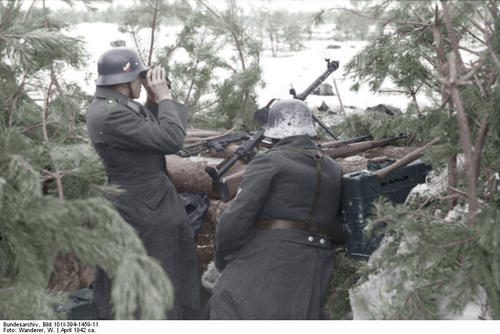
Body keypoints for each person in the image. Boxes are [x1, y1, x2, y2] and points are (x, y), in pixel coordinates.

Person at [86, 47, 201, 319]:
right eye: (139, 77)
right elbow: (171, 139)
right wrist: (164, 97)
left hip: (140, 205)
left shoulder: (112, 106)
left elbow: (149, 135)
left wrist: (152, 100)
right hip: (144, 211)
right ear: (124, 80)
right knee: (159, 279)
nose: (143, 81)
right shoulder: (111, 113)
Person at [208, 99, 342, 319]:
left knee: (227, 302)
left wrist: (222, 259)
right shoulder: (333, 168)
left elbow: (234, 221)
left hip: (269, 260)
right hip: (315, 267)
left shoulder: (269, 161)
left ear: (274, 129)